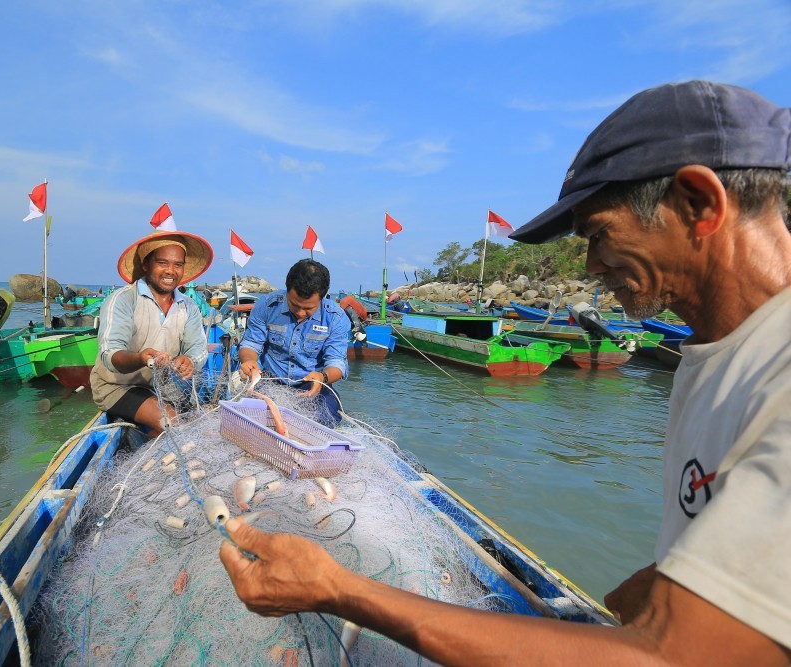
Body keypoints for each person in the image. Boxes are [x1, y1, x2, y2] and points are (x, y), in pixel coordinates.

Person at [220, 80, 791, 664]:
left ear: (698, 204)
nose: (592, 266)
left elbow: (673, 657)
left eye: (598, 234)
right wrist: (670, 575)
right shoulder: (714, 358)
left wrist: (337, 589)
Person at [90, 229, 213, 437]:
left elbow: (198, 349)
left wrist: (190, 361)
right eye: (162, 263)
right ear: (146, 264)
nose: (170, 271)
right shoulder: (123, 300)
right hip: (116, 386)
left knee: (201, 427)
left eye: (178, 265)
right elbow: (110, 354)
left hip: (163, 388)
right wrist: (140, 358)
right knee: (171, 422)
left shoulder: (189, 306)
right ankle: (148, 454)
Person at [237, 259, 351, 427]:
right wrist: (249, 360)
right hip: (270, 381)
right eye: (294, 305)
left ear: (322, 297)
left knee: (326, 418)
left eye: (308, 309)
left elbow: (336, 363)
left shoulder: (336, 318)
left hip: (313, 386)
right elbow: (251, 343)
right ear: (287, 290)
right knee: (251, 419)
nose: (300, 313)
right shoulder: (267, 306)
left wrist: (322, 377)